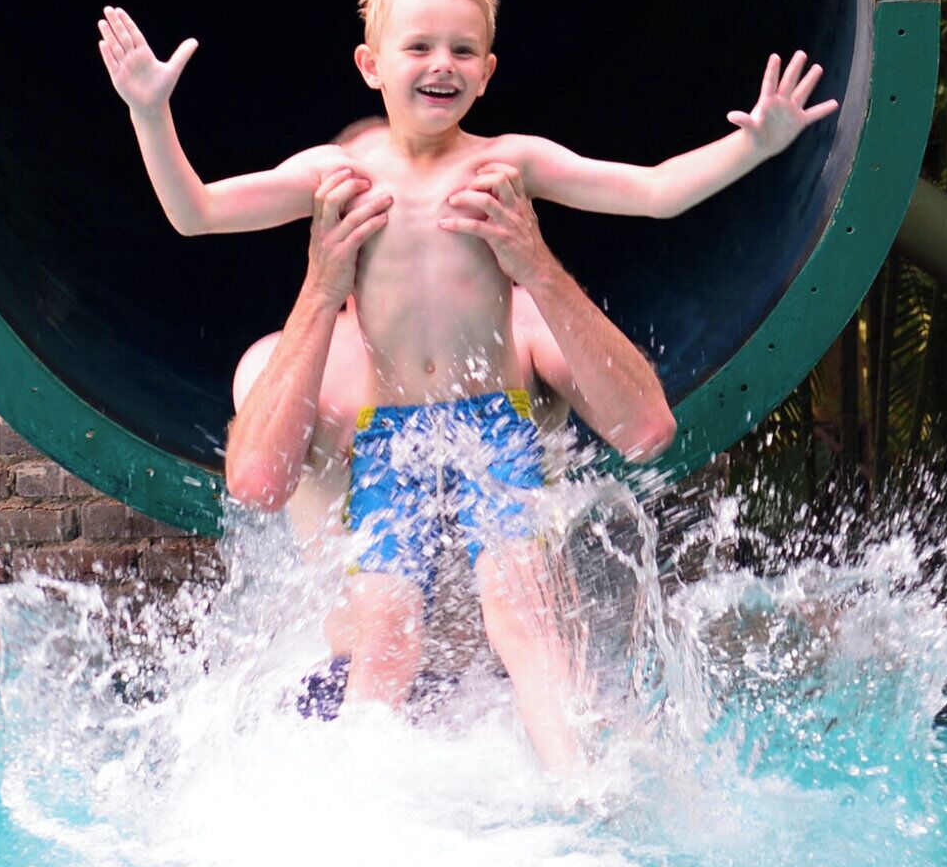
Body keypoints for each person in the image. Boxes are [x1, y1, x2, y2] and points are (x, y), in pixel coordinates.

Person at [97, 0, 833, 766]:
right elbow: (195, 212)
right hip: (389, 436)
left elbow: (656, 191)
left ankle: (577, 782)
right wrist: (149, 111)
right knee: (384, 636)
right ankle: (357, 797)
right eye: (418, 47)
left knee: (518, 609)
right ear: (370, 64)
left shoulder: (505, 162)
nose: (440, 65)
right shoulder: (337, 174)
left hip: (494, 425)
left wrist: (758, 146)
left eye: (461, 50)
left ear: (486, 70)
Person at [224, 153, 674, 746]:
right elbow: (257, 483)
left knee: (589, 741)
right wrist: (318, 287)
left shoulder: (523, 330)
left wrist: (539, 268)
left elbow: (647, 431)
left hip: (518, 691)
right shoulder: (292, 360)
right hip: (359, 686)